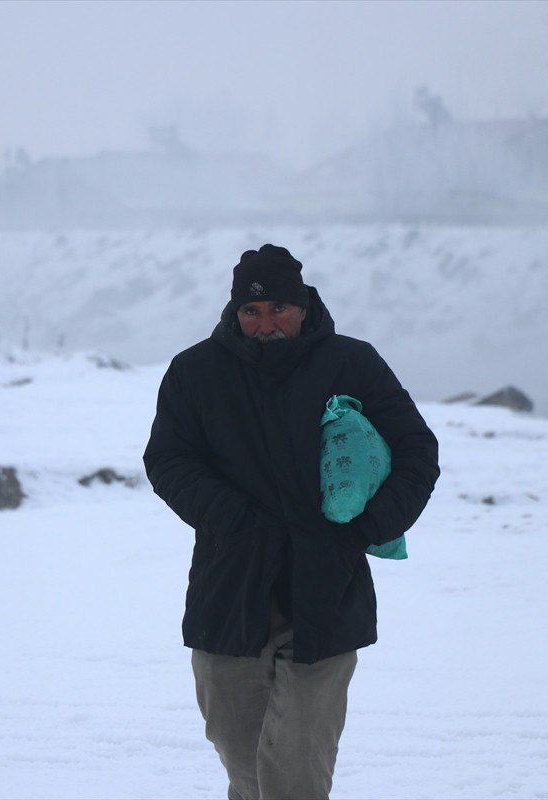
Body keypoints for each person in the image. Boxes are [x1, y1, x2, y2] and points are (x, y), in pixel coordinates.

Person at [143, 243, 440, 800]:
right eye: (251, 312)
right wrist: (230, 517)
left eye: (278, 309)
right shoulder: (195, 371)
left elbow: (416, 450)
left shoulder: (352, 363)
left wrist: (365, 527)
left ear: (304, 307)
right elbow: (167, 459)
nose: (265, 324)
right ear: (235, 314)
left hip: (324, 588)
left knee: (297, 774)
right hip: (229, 586)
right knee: (241, 757)